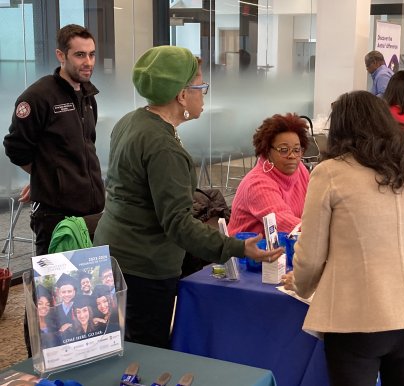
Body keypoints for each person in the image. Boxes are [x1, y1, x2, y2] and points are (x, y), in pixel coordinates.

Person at [93, 46, 282, 349]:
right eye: (200, 87)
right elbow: (178, 223)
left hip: (113, 251)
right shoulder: (164, 147)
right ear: (181, 95)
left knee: (121, 345)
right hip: (145, 266)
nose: (203, 94)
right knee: (146, 352)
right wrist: (236, 247)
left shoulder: (131, 121)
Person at [281, 91, 404, 386]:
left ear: (339, 129)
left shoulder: (330, 173)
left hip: (355, 315)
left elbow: (311, 254)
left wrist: (302, 286)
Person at [3, 24, 104, 256]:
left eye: (92, 54)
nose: (88, 61)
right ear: (61, 55)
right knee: (55, 289)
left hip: (92, 212)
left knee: (91, 288)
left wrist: (46, 174)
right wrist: (45, 176)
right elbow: (16, 148)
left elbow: (84, 146)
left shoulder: (88, 95)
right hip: (56, 218)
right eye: (80, 55)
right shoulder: (38, 97)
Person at [228, 113, 310, 235]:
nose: (292, 156)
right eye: (284, 150)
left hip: (280, 246)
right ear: (267, 151)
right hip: (247, 250)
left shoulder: (300, 169)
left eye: (297, 150)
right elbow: (283, 222)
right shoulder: (257, 184)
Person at [35, 285, 59, 349]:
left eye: (47, 304)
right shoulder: (31, 326)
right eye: (40, 303)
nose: (44, 307)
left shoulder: (52, 322)